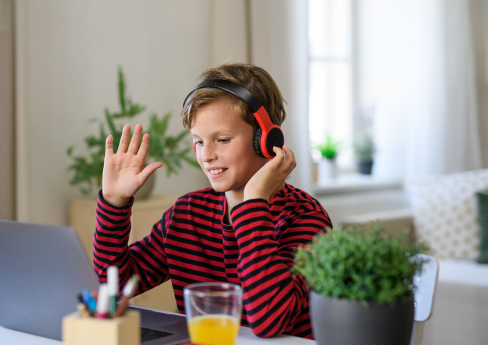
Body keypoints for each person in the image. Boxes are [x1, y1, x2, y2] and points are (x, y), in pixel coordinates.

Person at [93, 62, 331, 339]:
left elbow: (270, 322)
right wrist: (114, 203)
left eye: (222, 139)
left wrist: (253, 205)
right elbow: (118, 286)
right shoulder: (187, 214)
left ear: (265, 139)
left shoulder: (304, 218)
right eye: (199, 141)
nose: (206, 156)